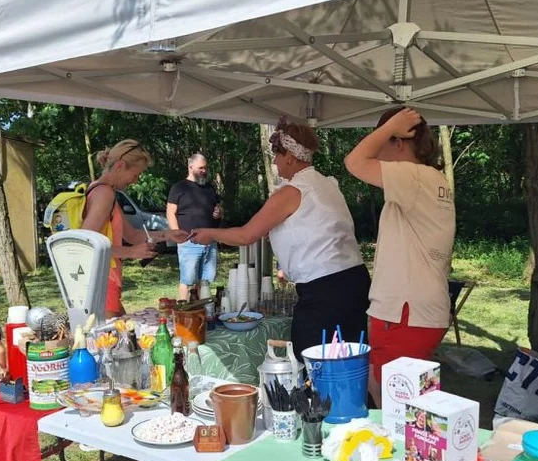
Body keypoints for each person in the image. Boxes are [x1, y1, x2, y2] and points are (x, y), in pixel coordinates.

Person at [190, 118, 370, 361]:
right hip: (355, 281)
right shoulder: (327, 184)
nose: (274, 161)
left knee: (311, 358)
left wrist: (209, 233)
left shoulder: (291, 191)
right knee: (351, 357)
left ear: (290, 157)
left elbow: (246, 235)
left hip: (323, 291)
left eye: (276, 154)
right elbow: (317, 227)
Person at [344, 107, 456, 405]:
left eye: (382, 141)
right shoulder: (432, 178)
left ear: (399, 141)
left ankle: (405, 450)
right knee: (397, 391)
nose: (377, 151)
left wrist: (391, 124)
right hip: (420, 310)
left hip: (404, 312)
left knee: (398, 405)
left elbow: (354, 162)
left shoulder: (413, 176)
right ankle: (416, 447)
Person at [82, 139, 188, 316]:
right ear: (121, 166)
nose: (136, 180)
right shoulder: (105, 193)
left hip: (104, 279)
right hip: (101, 281)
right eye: (136, 174)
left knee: (122, 331)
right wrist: (131, 252)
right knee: (109, 340)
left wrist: (169, 235)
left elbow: (132, 235)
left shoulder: (101, 190)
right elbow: (87, 245)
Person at [167, 153, 222, 300]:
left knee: (205, 282)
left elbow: (217, 209)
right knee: (187, 280)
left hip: (210, 241)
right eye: (201, 168)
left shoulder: (209, 188)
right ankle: (183, 311)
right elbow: (171, 212)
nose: (204, 171)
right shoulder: (179, 187)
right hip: (189, 242)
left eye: (206, 168)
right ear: (190, 167)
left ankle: (200, 310)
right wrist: (176, 234)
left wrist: (219, 212)